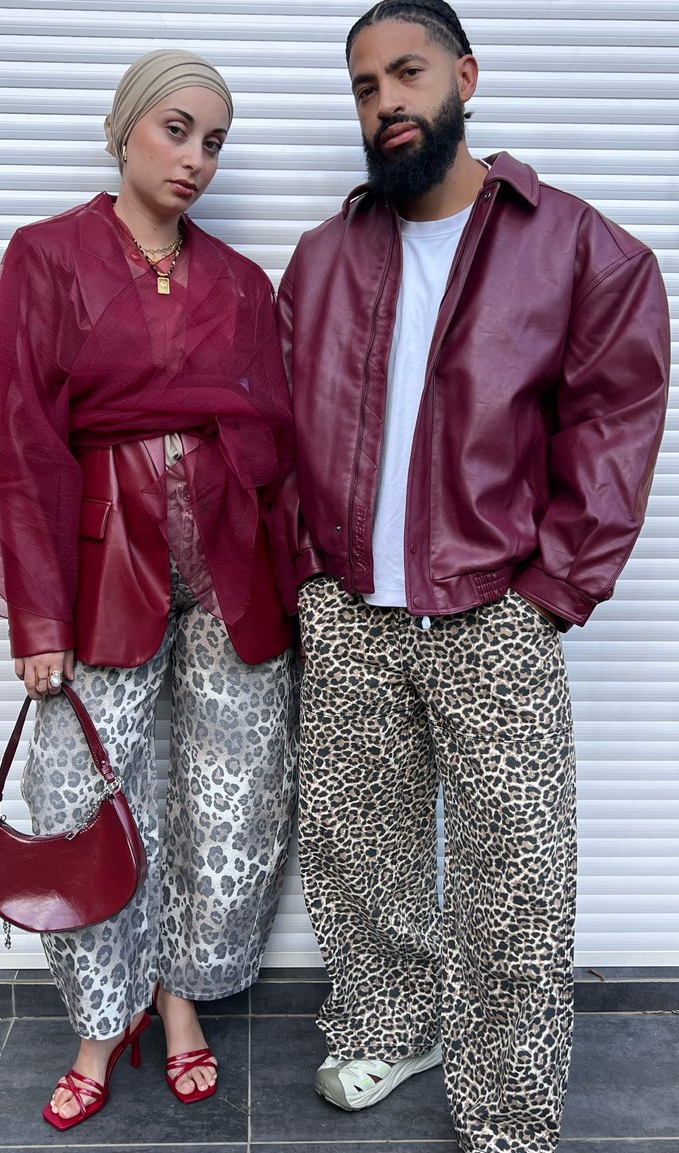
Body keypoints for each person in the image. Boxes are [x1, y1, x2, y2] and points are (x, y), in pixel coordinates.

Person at [276, 2, 670, 1150]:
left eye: (406, 73)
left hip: (493, 608)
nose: (385, 102)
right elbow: (280, 426)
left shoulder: (579, 248)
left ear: (465, 77)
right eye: (362, 86)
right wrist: (306, 569)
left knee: (513, 875)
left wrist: (554, 587)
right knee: (360, 852)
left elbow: (615, 422)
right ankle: (394, 1024)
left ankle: (504, 1105)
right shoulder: (324, 255)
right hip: (348, 604)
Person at [0, 50, 299, 1131]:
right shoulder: (46, 258)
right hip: (100, 564)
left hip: (231, 569)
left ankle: (177, 1002)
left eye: (213, 142)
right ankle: (99, 1018)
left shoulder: (238, 283)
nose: (195, 159)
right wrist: (37, 614)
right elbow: (25, 445)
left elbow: (281, 440)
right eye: (176, 130)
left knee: (233, 796)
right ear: (124, 129)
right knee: (75, 796)